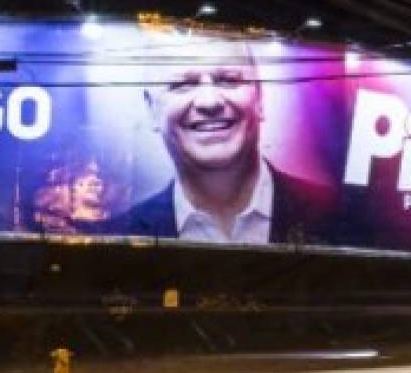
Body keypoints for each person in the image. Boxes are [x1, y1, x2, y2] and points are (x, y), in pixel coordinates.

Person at [114, 52, 337, 244]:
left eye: (228, 80)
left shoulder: (344, 215)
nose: (209, 102)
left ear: (260, 98)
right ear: (152, 108)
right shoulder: (112, 237)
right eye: (182, 84)